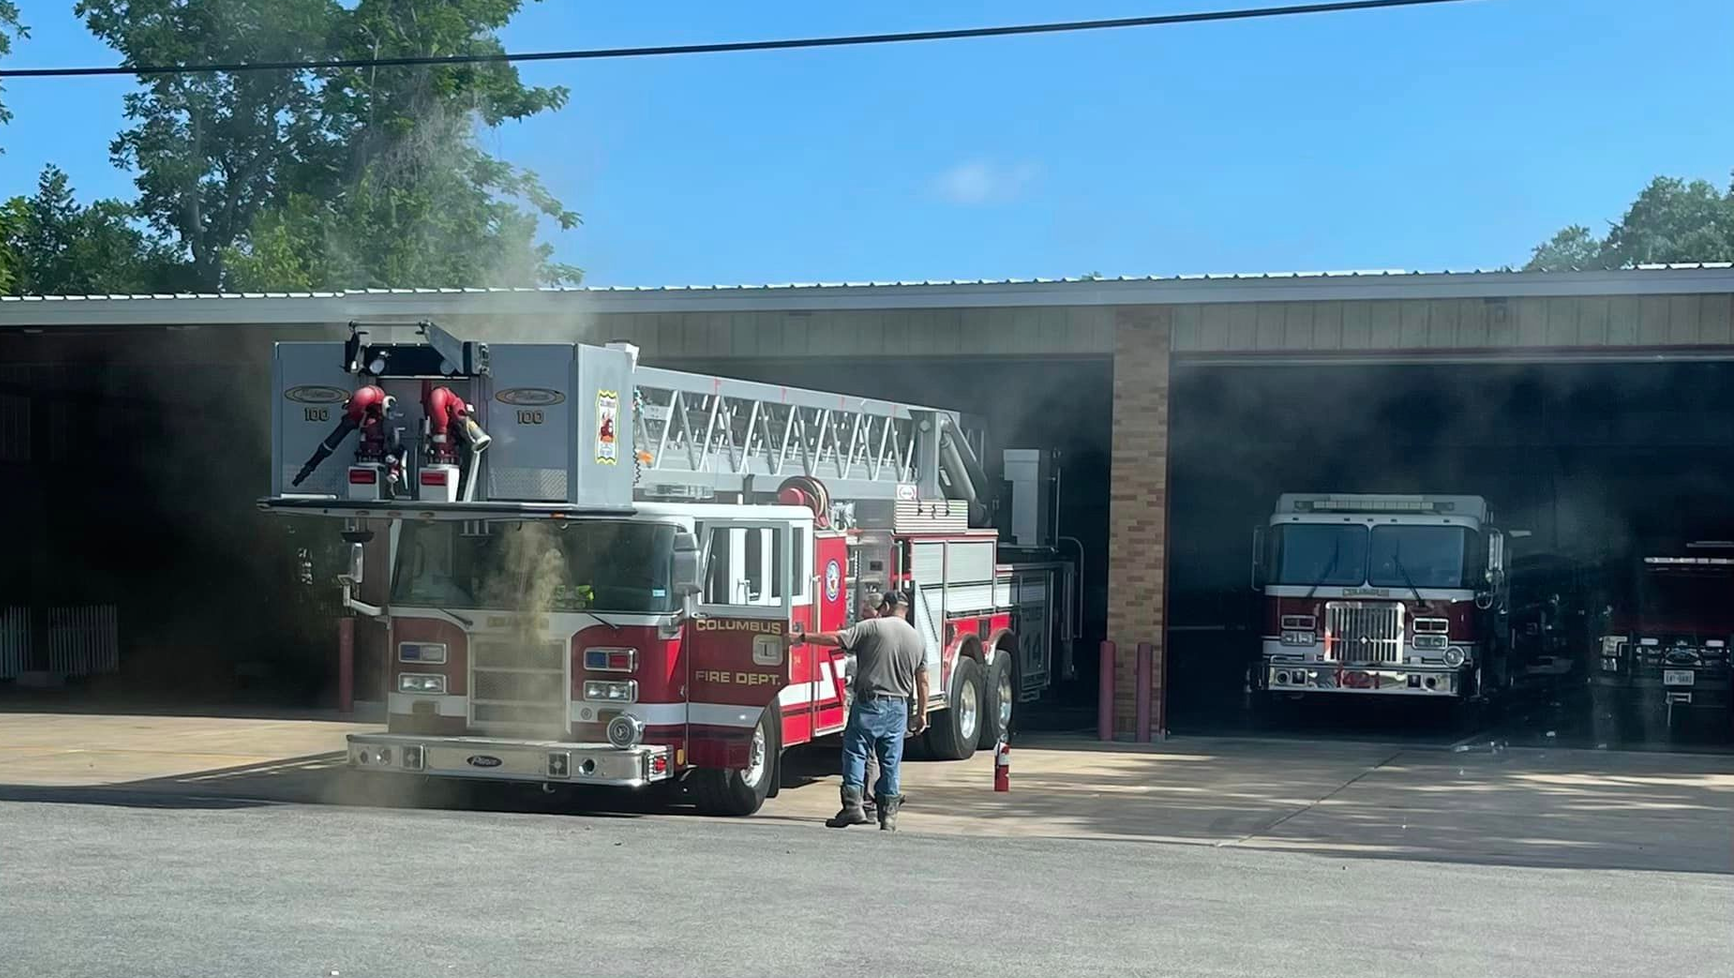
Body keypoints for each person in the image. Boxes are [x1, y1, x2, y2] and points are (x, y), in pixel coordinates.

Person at [793, 588, 928, 830]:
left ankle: (853, 807)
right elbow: (923, 679)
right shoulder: (917, 638)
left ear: (885, 607)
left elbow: (837, 638)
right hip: (899, 706)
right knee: (891, 761)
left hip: (870, 703)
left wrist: (802, 637)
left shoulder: (873, 627)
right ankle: (888, 817)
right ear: (905, 611)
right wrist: (922, 713)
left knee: (856, 751)